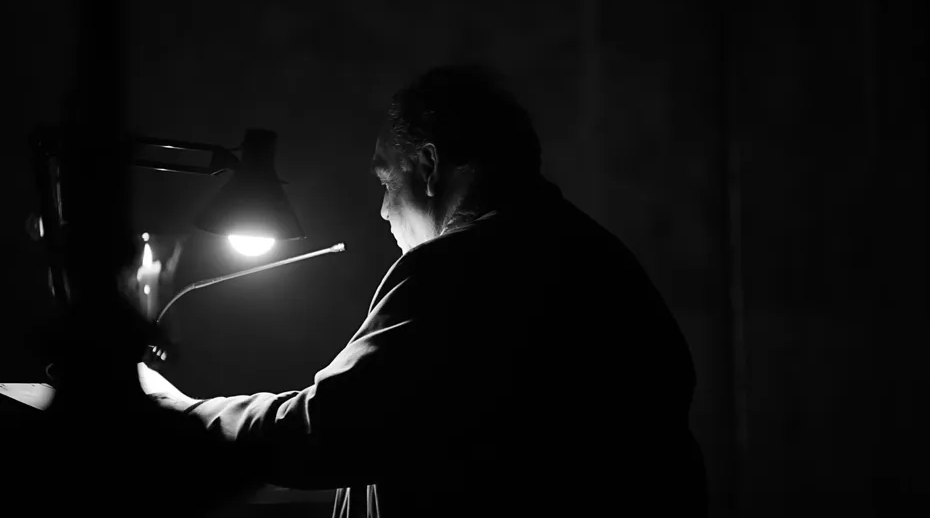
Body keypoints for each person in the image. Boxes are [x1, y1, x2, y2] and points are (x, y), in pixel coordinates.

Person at [140, 65, 708, 517]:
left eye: (386, 180)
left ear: (430, 166)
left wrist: (178, 414)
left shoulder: (464, 268)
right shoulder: (593, 253)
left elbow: (332, 430)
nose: (383, 210)